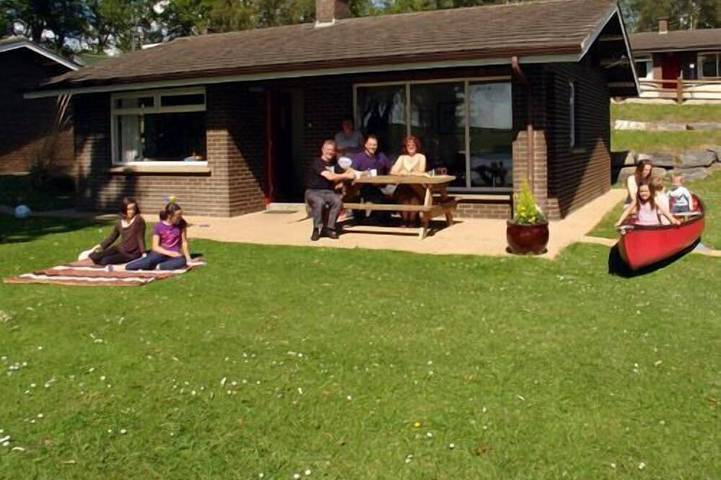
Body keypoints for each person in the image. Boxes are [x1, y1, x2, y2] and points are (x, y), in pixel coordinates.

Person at [305, 140, 356, 241]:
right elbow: (330, 177)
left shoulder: (334, 164)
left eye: (332, 150)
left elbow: (348, 170)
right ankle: (317, 229)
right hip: (313, 191)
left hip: (328, 192)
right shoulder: (317, 162)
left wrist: (351, 171)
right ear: (323, 150)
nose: (330, 152)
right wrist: (346, 176)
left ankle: (329, 228)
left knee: (337, 201)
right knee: (319, 202)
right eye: (328, 150)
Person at [126, 202, 192, 270]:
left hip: (175, 255)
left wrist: (188, 258)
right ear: (169, 216)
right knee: (145, 262)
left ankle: (158, 266)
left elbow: (184, 242)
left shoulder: (182, 224)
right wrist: (170, 253)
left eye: (181, 215)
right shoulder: (159, 226)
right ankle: (142, 264)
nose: (180, 218)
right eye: (178, 217)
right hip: (160, 253)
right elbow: (155, 247)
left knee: (182, 261)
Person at [85, 197, 146, 266]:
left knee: (105, 261)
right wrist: (101, 246)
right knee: (94, 256)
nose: (132, 211)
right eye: (129, 209)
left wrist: (143, 253)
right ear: (124, 209)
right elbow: (112, 237)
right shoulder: (119, 222)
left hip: (131, 254)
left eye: (134, 209)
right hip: (120, 248)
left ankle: (103, 261)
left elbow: (140, 237)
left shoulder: (138, 220)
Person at [391, 135, 426, 227]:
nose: (411, 146)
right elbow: (393, 171)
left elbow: (421, 171)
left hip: (417, 186)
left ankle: (412, 220)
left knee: (414, 199)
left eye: (413, 144)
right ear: (405, 147)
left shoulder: (421, 157)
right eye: (408, 145)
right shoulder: (402, 157)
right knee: (403, 198)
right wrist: (407, 173)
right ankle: (404, 220)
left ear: (417, 146)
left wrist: (404, 172)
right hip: (404, 186)